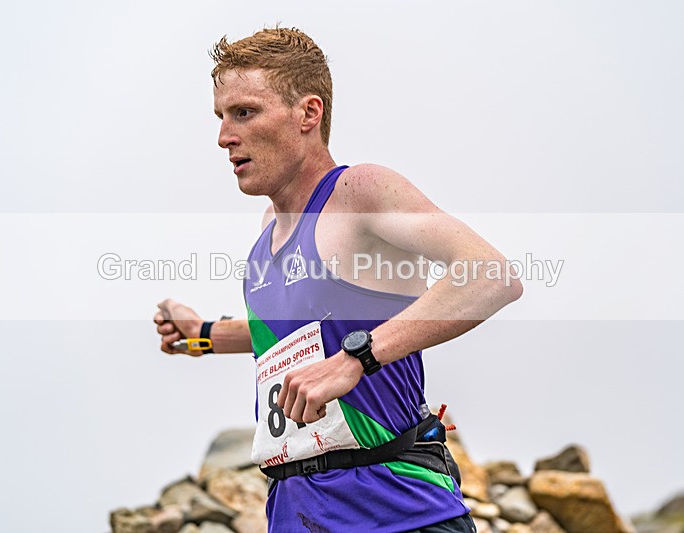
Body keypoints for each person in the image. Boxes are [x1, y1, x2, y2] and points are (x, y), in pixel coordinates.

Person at [154, 27, 522, 533]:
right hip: (297, 513)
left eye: (244, 112)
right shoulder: (268, 230)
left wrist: (358, 357)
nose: (224, 136)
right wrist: (202, 335)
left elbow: (491, 275)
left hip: (398, 512)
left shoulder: (358, 191)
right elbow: (302, 331)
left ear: (309, 113)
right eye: (221, 117)